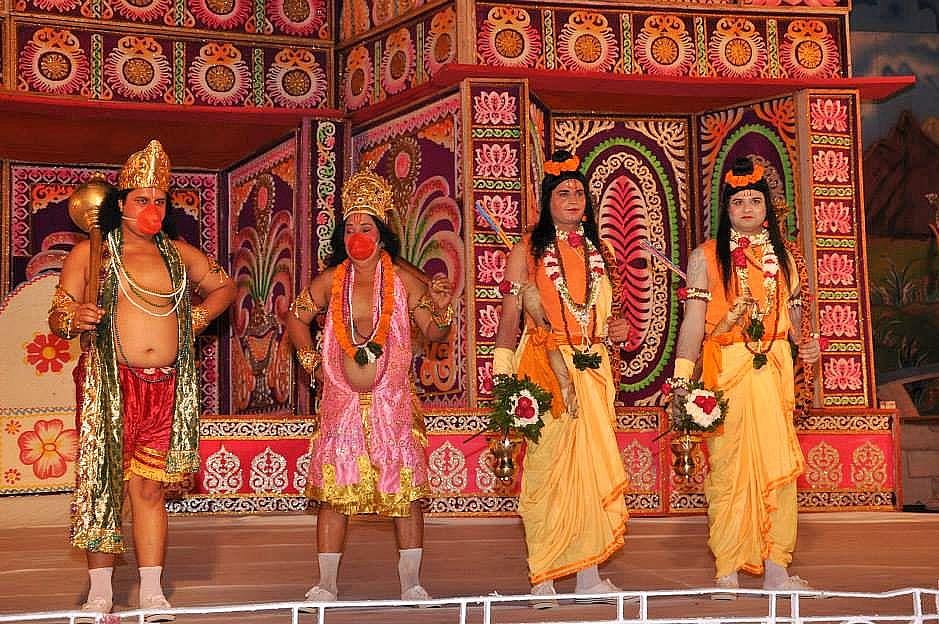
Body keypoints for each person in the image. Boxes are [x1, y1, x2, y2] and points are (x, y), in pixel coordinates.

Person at [49, 140, 236, 621]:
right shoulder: (93, 253)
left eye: (160, 200)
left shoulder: (178, 254)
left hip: (167, 385)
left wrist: (195, 318)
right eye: (142, 200)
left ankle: (152, 591)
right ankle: (100, 593)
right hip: (110, 386)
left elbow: (223, 286)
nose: (153, 208)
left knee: (150, 491)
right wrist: (77, 317)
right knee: (104, 486)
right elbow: (59, 313)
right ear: (121, 205)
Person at [286, 170, 454, 603]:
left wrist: (441, 309)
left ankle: (411, 583)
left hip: (392, 402)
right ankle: (326, 584)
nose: (356, 235)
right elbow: (296, 319)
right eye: (350, 228)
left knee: (406, 493)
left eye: (366, 227)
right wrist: (311, 363)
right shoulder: (328, 281)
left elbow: (433, 335)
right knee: (333, 493)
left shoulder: (404, 281)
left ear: (381, 234)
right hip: (341, 404)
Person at [670, 156, 820, 597]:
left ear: (767, 208)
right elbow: (694, 324)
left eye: (756, 200)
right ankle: (728, 569)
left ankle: (777, 566)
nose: (749, 208)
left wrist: (806, 345)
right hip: (727, 369)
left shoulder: (786, 259)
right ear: (727, 211)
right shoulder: (705, 257)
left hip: (774, 372)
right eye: (739, 202)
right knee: (730, 472)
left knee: (778, 469)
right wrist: (681, 381)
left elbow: (795, 321)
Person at [492, 150, 631, 607]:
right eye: (563, 192)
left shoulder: (601, 252)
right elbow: (511, 318)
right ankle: (545, 577)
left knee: (590, 473)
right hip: (545, 367)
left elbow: (605, 313)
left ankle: (588, 573)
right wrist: (502, 374)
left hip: (594, 367)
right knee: (547, 471)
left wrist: (615, 330)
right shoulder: (526, 250)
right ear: (547, 200)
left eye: (579, 193)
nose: (573, 198)